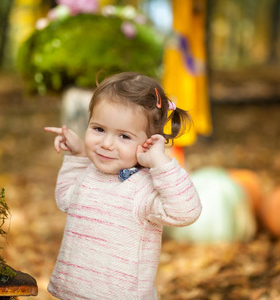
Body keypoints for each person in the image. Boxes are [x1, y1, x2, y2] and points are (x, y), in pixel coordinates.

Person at [44, 72, 202, 299]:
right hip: (73, 294)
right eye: (98, 129)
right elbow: (66, 198)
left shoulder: (143, 188)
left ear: (148, 142)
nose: (106, 144)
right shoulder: (90, 172)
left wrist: (161, 162)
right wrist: (78, 155)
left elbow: (187, 212)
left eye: (124, 136)